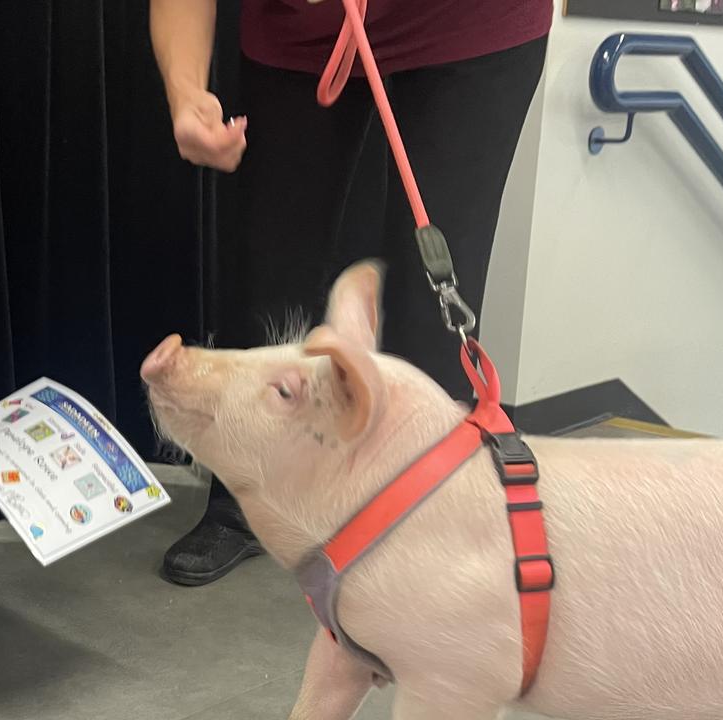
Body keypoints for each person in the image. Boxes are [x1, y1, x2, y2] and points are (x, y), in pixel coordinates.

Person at [150, 0, 553, 585]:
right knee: (270, 273)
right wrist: (186, 92)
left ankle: (418, 513)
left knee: (430, 292)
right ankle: (244, 505)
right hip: (303, 36)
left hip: (471, 24)